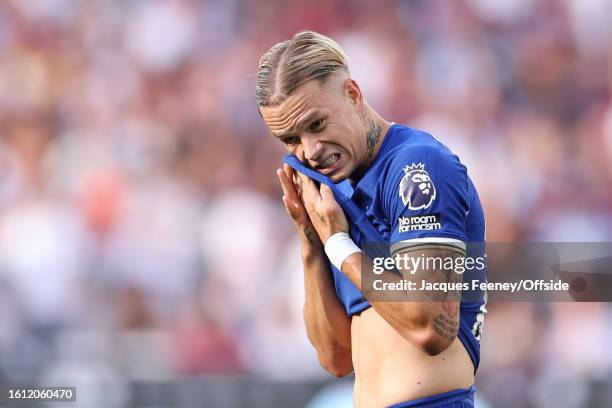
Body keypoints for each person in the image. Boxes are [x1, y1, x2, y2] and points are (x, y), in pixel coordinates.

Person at [256, 30, 486, 408]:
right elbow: (336, 358)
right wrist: (312, 242)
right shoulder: (335, 193)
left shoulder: (417, 167)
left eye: (316, 125)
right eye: (291, 140)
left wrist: (339, 246)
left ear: (352, 94)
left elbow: (432, 328)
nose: (310, 151)